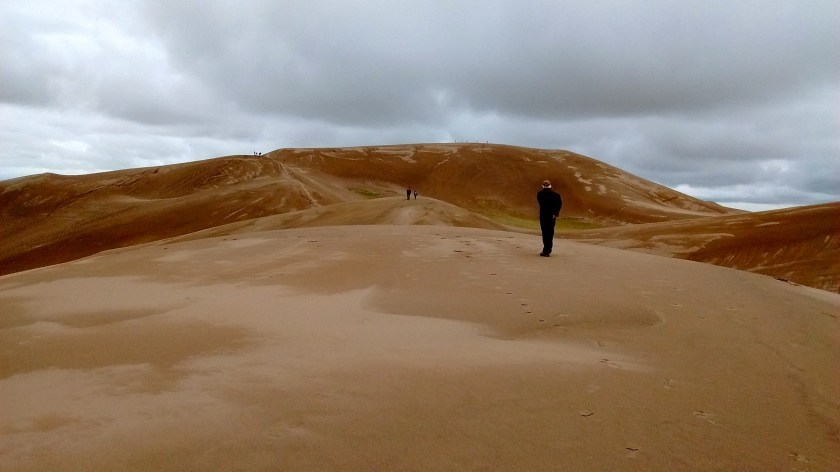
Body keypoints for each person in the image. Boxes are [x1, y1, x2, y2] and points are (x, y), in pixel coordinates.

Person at [537, 179, 562, 257]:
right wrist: (556, 213)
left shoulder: (540, 194)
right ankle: (548, 250)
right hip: (552, 216)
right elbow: (559, 204)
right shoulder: (556, 195)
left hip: (543, 216)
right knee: (550, 233)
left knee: (544, 232)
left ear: (543, 185)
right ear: (550, 185)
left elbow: (540, 202)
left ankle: (545, 249)